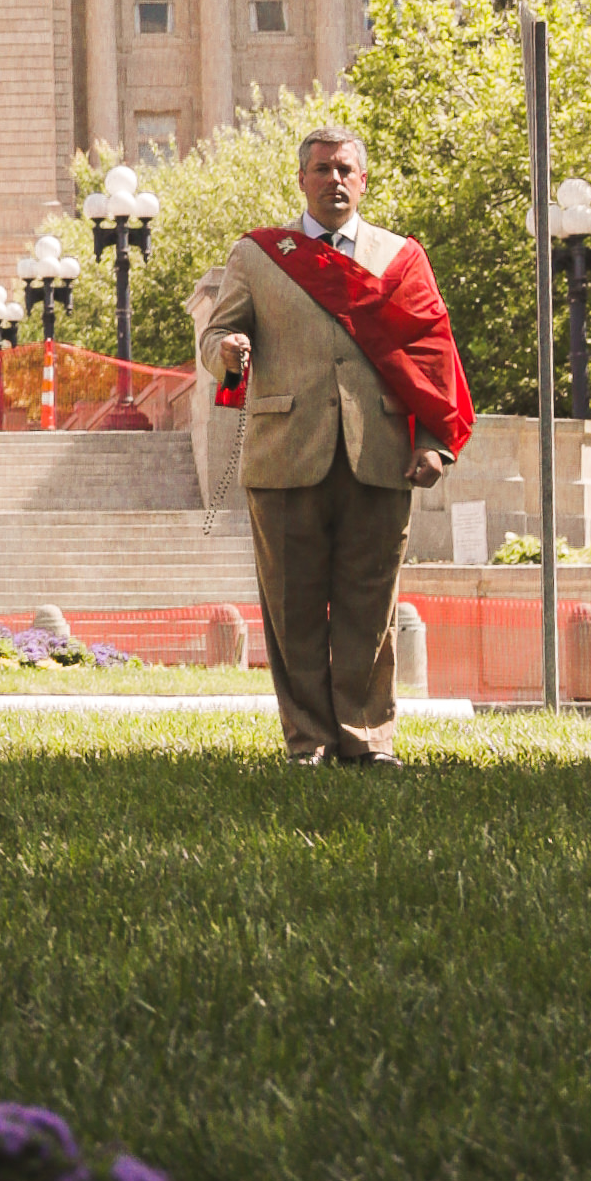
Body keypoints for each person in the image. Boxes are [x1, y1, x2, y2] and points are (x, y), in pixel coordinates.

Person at [191, 121, 472, 767]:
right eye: (322, 169)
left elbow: (433, 355)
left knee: (370, 608)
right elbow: (217, 336)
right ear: (301, 180)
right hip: (286, 451)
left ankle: (368, 740)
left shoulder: (400, 258)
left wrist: (433, 440)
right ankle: (309, 742)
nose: (334, 180)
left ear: (363, 180)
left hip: (379, 455)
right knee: (292, 611)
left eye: (346, 169)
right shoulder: (258, 256)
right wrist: (226, 352)